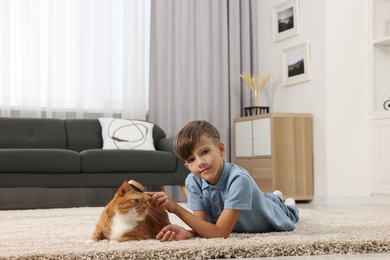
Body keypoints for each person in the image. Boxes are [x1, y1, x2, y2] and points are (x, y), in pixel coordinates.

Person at [146, 120, 299, 241]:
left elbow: (219, 233)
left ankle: (281, 201)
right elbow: (204, 227)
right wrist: (188, 233)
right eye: (191, 159)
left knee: (285, 210)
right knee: (263, 197)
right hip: (249, 200)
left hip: (270, 211)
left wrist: (176, 208)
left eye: (204, 152)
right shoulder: (193, 181)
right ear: (187, 166)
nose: (200, 162)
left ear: (220, 149)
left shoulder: (239, 180)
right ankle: (272, 196)